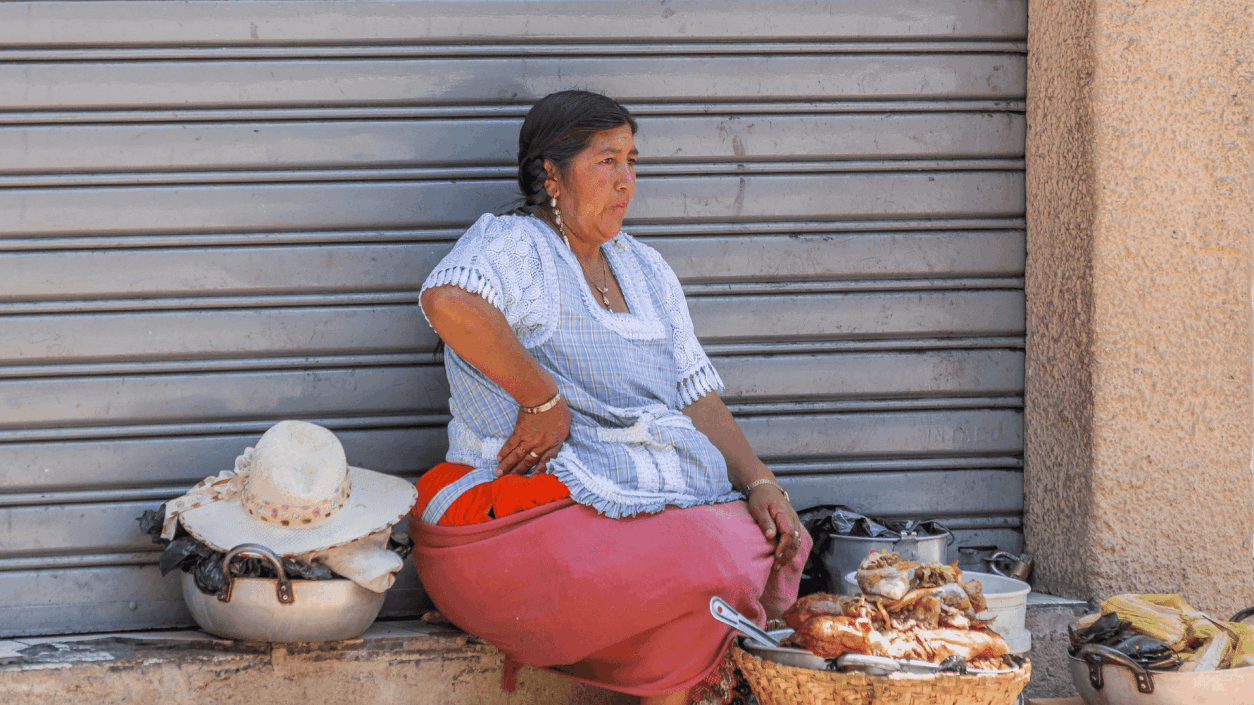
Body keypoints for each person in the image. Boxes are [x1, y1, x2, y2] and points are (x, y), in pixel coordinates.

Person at [410, 90, 809, 705]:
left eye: (631, 161)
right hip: (528, 506)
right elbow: (448, 301)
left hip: (640, 497)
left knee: (761, 542)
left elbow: (695, 395)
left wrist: (761, 482)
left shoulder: (646, 269)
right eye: (606, 161)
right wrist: (542, 401)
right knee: (706, 563)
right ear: (552, 175)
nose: (626, 180)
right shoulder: (518, 244)